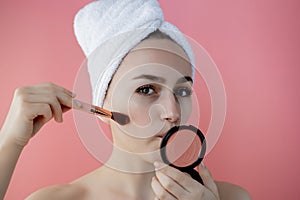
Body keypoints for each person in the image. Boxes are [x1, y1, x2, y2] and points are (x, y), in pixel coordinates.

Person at [0, 1, 251, 199]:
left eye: (182, 92)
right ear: (102, 102)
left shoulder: (230, 197)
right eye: (146, 90)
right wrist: (9, 141)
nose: (172, 112)